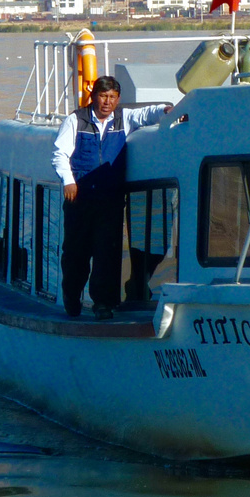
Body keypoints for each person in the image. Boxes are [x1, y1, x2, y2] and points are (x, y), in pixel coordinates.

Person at [52, 76, 170, 319]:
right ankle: (71, 297)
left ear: (117, 99)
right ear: (93, 96)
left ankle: (103, 304)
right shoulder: (77, 120)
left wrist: (166, 111)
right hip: (80, 200)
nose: (107, 102)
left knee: (107, 253)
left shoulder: (123, 119)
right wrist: (69, 181)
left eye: (112, 97)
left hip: (110, 200)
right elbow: (60, 154)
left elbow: (146, 114)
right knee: (76, 254)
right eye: (103, 96)